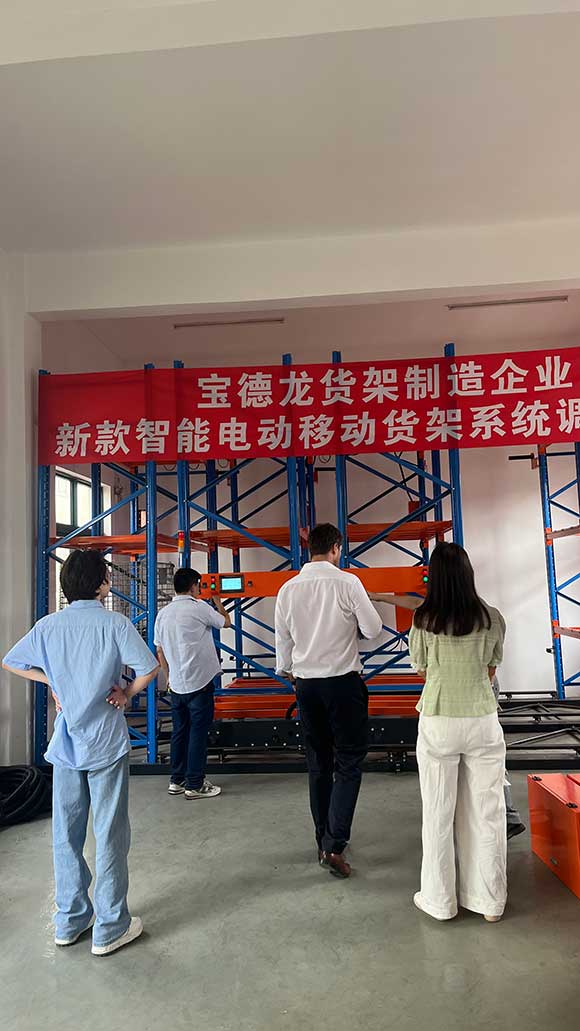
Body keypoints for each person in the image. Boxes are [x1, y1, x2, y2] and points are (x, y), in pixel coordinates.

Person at [2, 550, 159, 955]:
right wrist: (126, 693)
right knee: (110, 833)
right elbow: (149, 668)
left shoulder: (48, 626)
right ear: (102, 584)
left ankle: (70, 921)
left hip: (67, 743)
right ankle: (110, 927)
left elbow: (11, 661)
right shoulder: (115, 624)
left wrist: (51, 683)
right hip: (106, 741)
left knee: (66, 834)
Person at [370, 591, 526, 840]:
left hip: (465, 691)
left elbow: (417, 610)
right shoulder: (482, 610)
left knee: (473, 756)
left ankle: (498, 814)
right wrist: (379, 597)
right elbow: (492, 663)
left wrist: (442, 679)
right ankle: (502, 815)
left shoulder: (439, 610)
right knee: (486, 754)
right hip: (481, 688)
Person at [275, 523, 383, 878]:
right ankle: (335, 844)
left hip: (307, 687)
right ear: (337, 547)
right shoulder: (348, 583)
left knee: (318, 764)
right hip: (343, 685)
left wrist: (290, 671)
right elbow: (373, 629)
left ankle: (322, 840)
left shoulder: (288, 589)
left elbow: (283, 642)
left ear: (310, 549)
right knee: (348, 762)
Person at [407, 542, 507, 923]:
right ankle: (490, 902)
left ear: (433, 578)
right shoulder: (492, 617)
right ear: (468, 574)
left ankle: (440, 901)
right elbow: (491, 668)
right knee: (487, 810)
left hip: (438, 718)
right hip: (482, 717)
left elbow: (421, 669)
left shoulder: (423, 619)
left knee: (437, 811)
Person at [154, 567, 231, 800]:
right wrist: (217, 600)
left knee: (179, 732)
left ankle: (176, 780)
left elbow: (160, 650)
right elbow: (226, 623)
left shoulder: (163, 614)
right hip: (199, 683)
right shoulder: (200, 608)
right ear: (193, 586)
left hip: (176, 685)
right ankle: (195, 784)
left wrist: (168, 676)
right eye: (198, 585)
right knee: (198, 733)